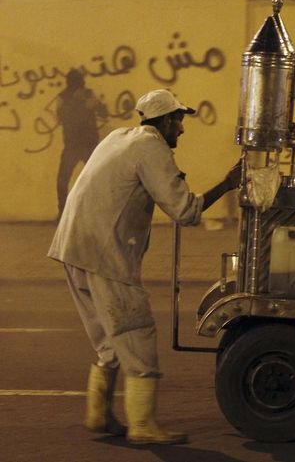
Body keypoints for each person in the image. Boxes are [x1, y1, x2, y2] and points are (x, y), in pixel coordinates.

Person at [48, 89, 242, 445]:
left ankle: (99, 414)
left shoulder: (118, 137)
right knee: (137, 332)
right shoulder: (152, 148)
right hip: (104, 255)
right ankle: (142, 425)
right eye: (179, 121)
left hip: (72, 248)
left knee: (109, 341)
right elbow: (186, 211)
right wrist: (228, 184)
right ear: (165, 121)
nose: (182, 129)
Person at [56, 69, 108, 221]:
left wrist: (93, 104)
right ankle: (64, 214)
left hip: (82, 145)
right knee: (66, 180)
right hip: (79, 145)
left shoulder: (74, 96)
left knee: (65, 180)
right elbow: (63, 117)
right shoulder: (67, 97)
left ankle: (64, 214)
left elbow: (103, 112)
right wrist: (82, 105)